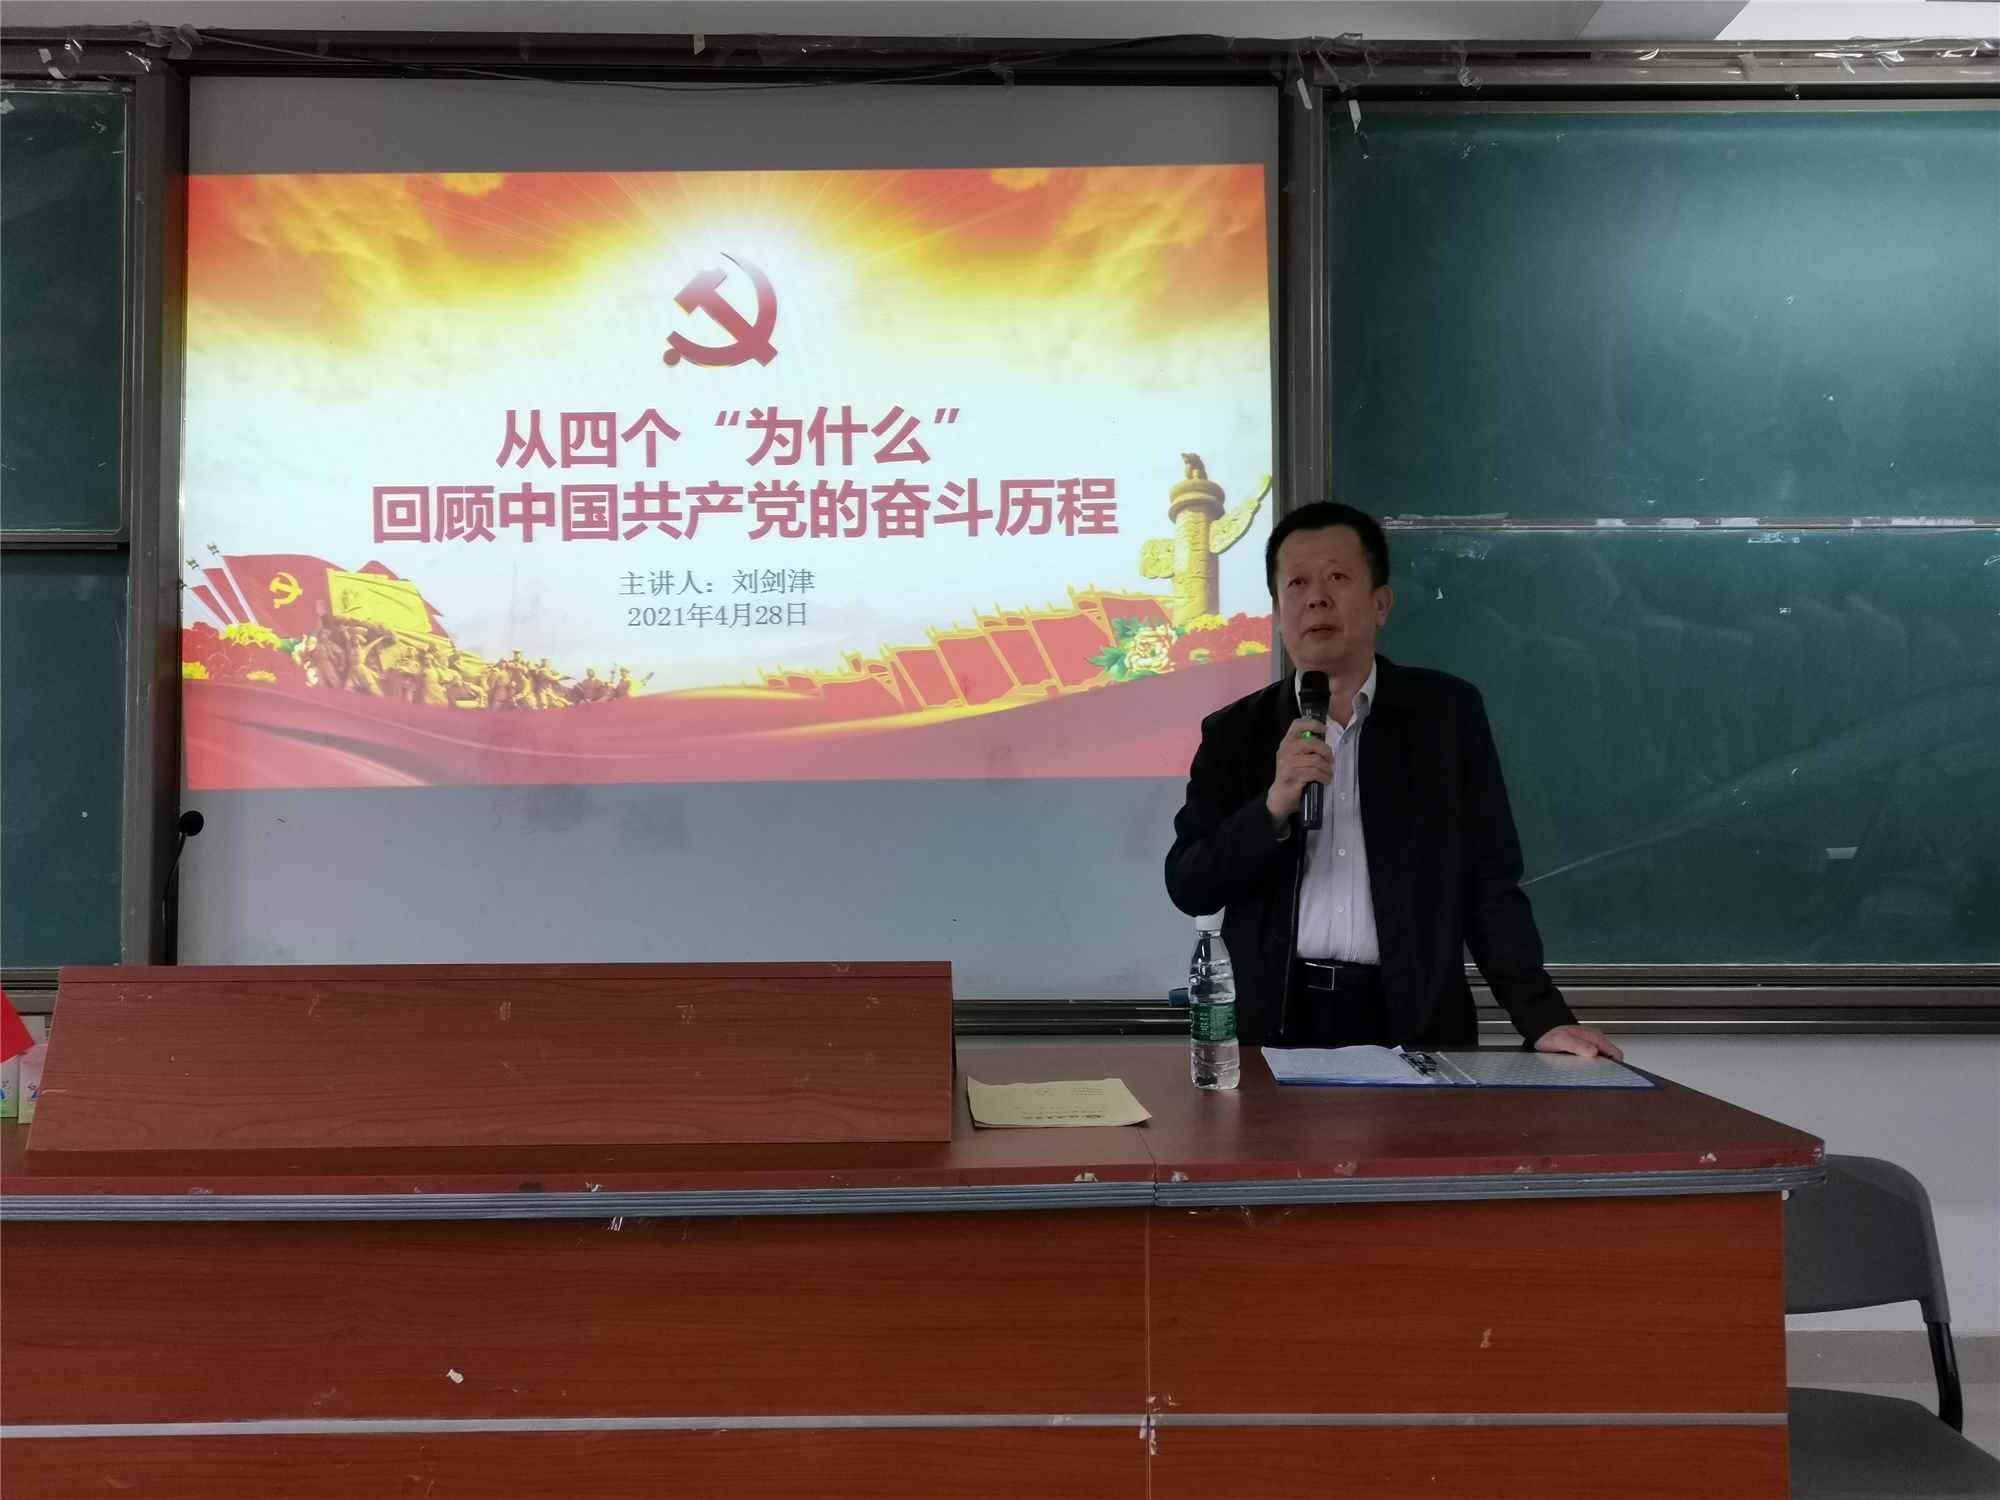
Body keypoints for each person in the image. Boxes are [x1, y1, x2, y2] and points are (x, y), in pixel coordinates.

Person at [1164, 501, 1621, 1059]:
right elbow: (1190, 883)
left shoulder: (1445, 715)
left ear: (1381, 603)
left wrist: (1542, 1017)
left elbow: (1489, 881)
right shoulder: (1235, 732)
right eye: (1297, 584)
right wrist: (1272, 806)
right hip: (1276, 1025)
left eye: (1337, 577)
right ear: (1278, 613)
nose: (1316, 598)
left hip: (1413, 1020)